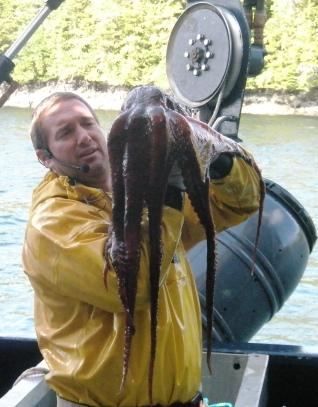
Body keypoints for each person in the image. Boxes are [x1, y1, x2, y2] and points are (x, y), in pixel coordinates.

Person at [22, 91, 261, 407]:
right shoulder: (52, 223)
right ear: (45, 157)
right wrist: (171, 191)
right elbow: (129, 287)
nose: (83, 137)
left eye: (87, 124)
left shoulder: (151, 197)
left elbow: (240, 202)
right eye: (66, 132)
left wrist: (212, 154)